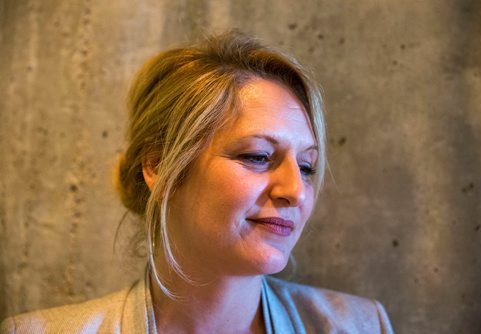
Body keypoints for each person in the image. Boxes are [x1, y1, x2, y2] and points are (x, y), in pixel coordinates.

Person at [1, 31, 393, 334]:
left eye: (307, 166)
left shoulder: (359, 325)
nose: (295, 190)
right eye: (257, 156)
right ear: (159, 167)